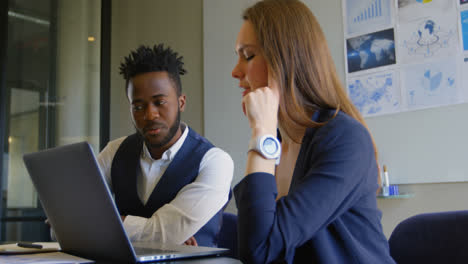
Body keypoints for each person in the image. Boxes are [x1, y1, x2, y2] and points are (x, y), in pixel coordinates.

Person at [231, 0, 395, 263]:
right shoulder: (281, 142)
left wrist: (261, 133)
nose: (235, 71)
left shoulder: (345, 138)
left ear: (286, 59)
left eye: (248, 55)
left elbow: (258, 250)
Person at [97, 44, 233, 247]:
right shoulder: (114, 152)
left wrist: (106, 224)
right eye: (138, 107)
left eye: (159, 102)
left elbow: (164, 235)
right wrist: (164, 234)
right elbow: (66, 224)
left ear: (181, 102)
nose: (150, 115)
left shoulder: (215, 161)